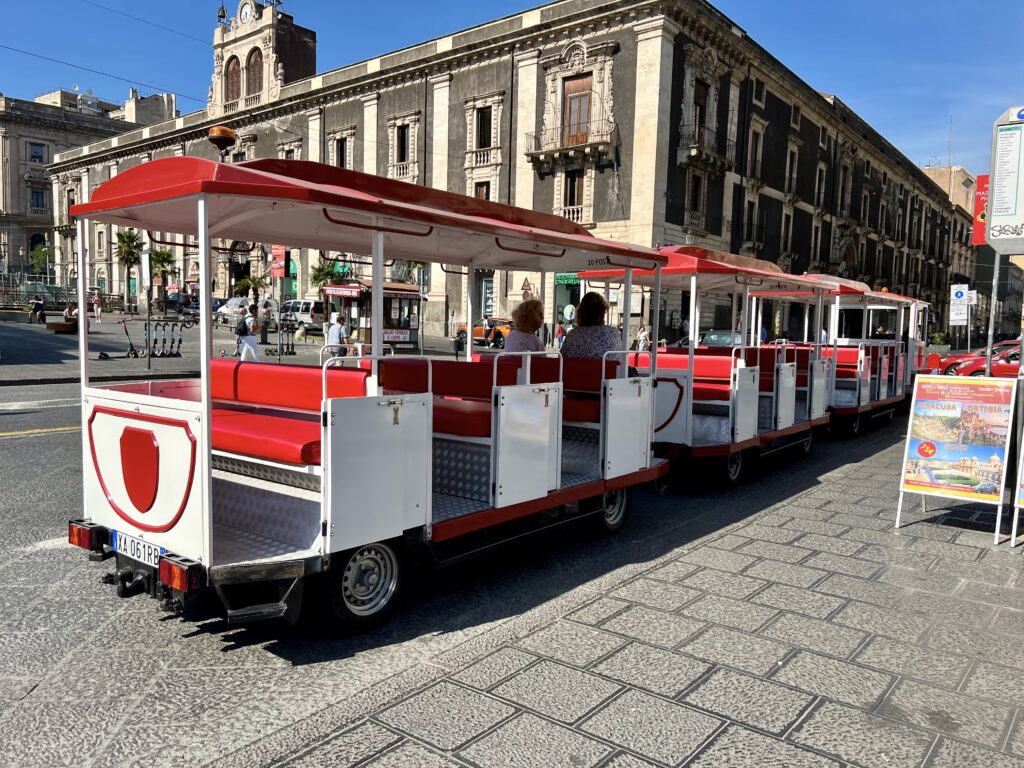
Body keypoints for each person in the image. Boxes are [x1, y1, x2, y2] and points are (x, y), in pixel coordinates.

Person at [560, 292, 623, 360]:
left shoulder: (572, 335)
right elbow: (620, 359)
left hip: (577, 370)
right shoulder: (613, 333)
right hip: (606, 370)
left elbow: (561, 360)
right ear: (602, 313)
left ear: (580, 312)